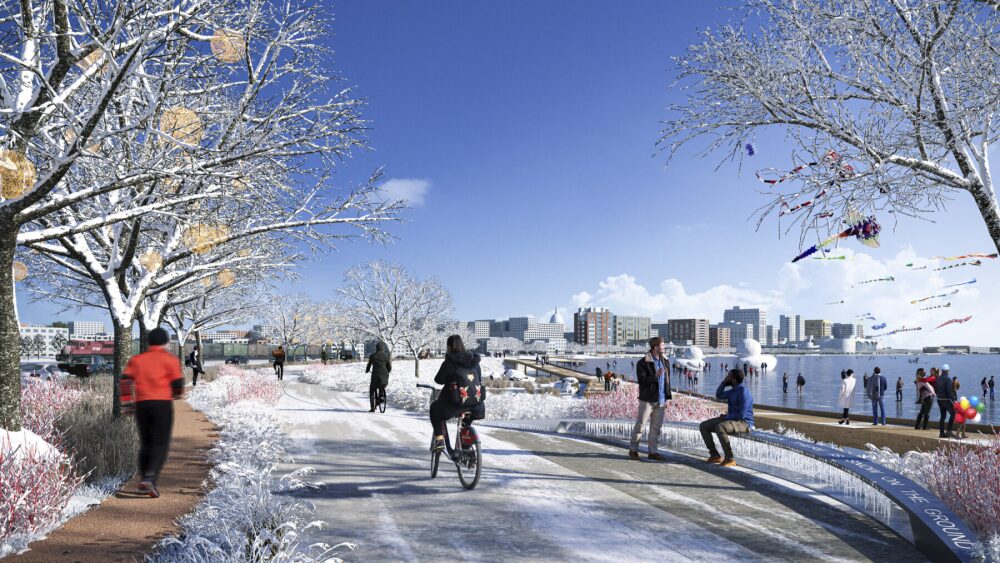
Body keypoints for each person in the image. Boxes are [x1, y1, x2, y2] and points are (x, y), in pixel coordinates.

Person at [122, 327, 184, 498]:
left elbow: (125, 381)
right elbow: (178, 383)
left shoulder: (136, 360)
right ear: (165, 342)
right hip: (162, 404)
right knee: (161, 443)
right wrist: (177, 394)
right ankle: (150, 477)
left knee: (146, 442)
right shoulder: (170, 360)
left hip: (142, 405)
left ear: (149, 342)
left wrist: (127, 402)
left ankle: (145, 478)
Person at [429, 335, 486, 452]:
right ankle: (465, 444)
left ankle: (439, 439)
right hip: (476, 404)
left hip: (455, 403)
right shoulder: (474, 362)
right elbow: (479, 380)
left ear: (449, 347)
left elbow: (439, 380)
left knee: (434, 409)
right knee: (467, 419)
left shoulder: (449, 362)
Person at [628, 337, 672, 461]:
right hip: (647, 399)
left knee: (656, 428)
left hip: (661, 400)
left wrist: (668, 396)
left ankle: (653, 452)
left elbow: (667, 381)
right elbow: (642, 381)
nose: (664, 347)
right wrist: (655, 376)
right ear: (655, 347)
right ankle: (633, 450)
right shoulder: (643, 363)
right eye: (662, 345)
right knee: (640, 425)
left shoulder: (665, 361)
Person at [700, 369, 754, 467]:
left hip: (744, 423)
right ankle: (715, 455)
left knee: (720, 427)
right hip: (731, 420)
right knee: (703, 426)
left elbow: (742, 414)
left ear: (733, 380)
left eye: (728, 376)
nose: (726, 378)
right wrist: (723, 383)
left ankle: (730, 459)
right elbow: (719, 395)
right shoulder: (732, 391)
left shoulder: (743, 392)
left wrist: (727, 417)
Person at [365, 342, 391, 412]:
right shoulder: (386, 356)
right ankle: (381, 397)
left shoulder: (373, 356)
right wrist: (387, 372)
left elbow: (369, 364)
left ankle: (372, 407)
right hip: (385, 376)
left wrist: (367, 370)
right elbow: (389, 367)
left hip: (375, 376)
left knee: (372, 390)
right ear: (383, 348)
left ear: (376, 348)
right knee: (382, 385)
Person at [935, 364, 956, 438]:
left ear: (942, 371)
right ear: (947, 371)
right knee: (953, 413)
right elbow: (949, 391)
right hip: (946, 400)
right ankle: (949, 431)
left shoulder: (938, 378)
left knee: (943, 416)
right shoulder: (948, 379)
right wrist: (953, 400)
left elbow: (935, 389)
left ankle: (941, 433)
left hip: (939, 400)